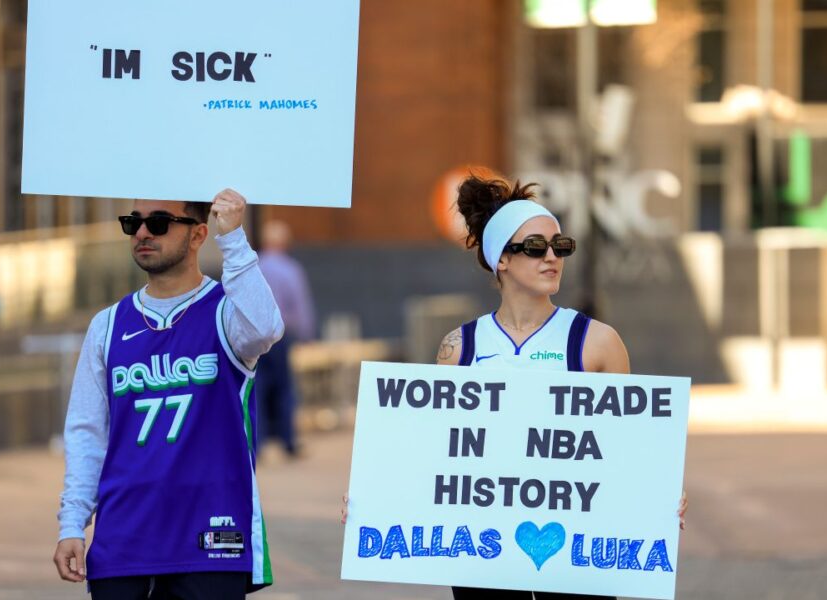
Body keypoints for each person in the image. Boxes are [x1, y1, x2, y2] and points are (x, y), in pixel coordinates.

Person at [341, 174, 687, 599]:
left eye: (560, 247)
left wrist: (659, 492)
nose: (552, 258)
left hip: (577, 541)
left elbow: (627, 448)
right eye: (535, 247)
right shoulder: (459, 348)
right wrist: (375, 498)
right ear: (501, 260)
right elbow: (434, 454)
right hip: (484, 542)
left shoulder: (597, 342)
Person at [53, 190, 284, 600]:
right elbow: (87, 433)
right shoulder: (106, 326)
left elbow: (266, 328)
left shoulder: (225, 314)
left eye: (158, 222)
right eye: (132, 222)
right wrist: (72, 523)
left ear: (197, 236)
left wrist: (232, 237)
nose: (142, 232)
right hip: (123, 539)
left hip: (212, 537)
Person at [254, 220, 316, 457]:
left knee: (257, 388)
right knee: (285, 388)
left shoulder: (253, 266)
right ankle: (288, 441)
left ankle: (256, 444)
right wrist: (306, 334)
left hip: (255, 334)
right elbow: (300, 305)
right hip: (281, 335)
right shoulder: (291, 269)